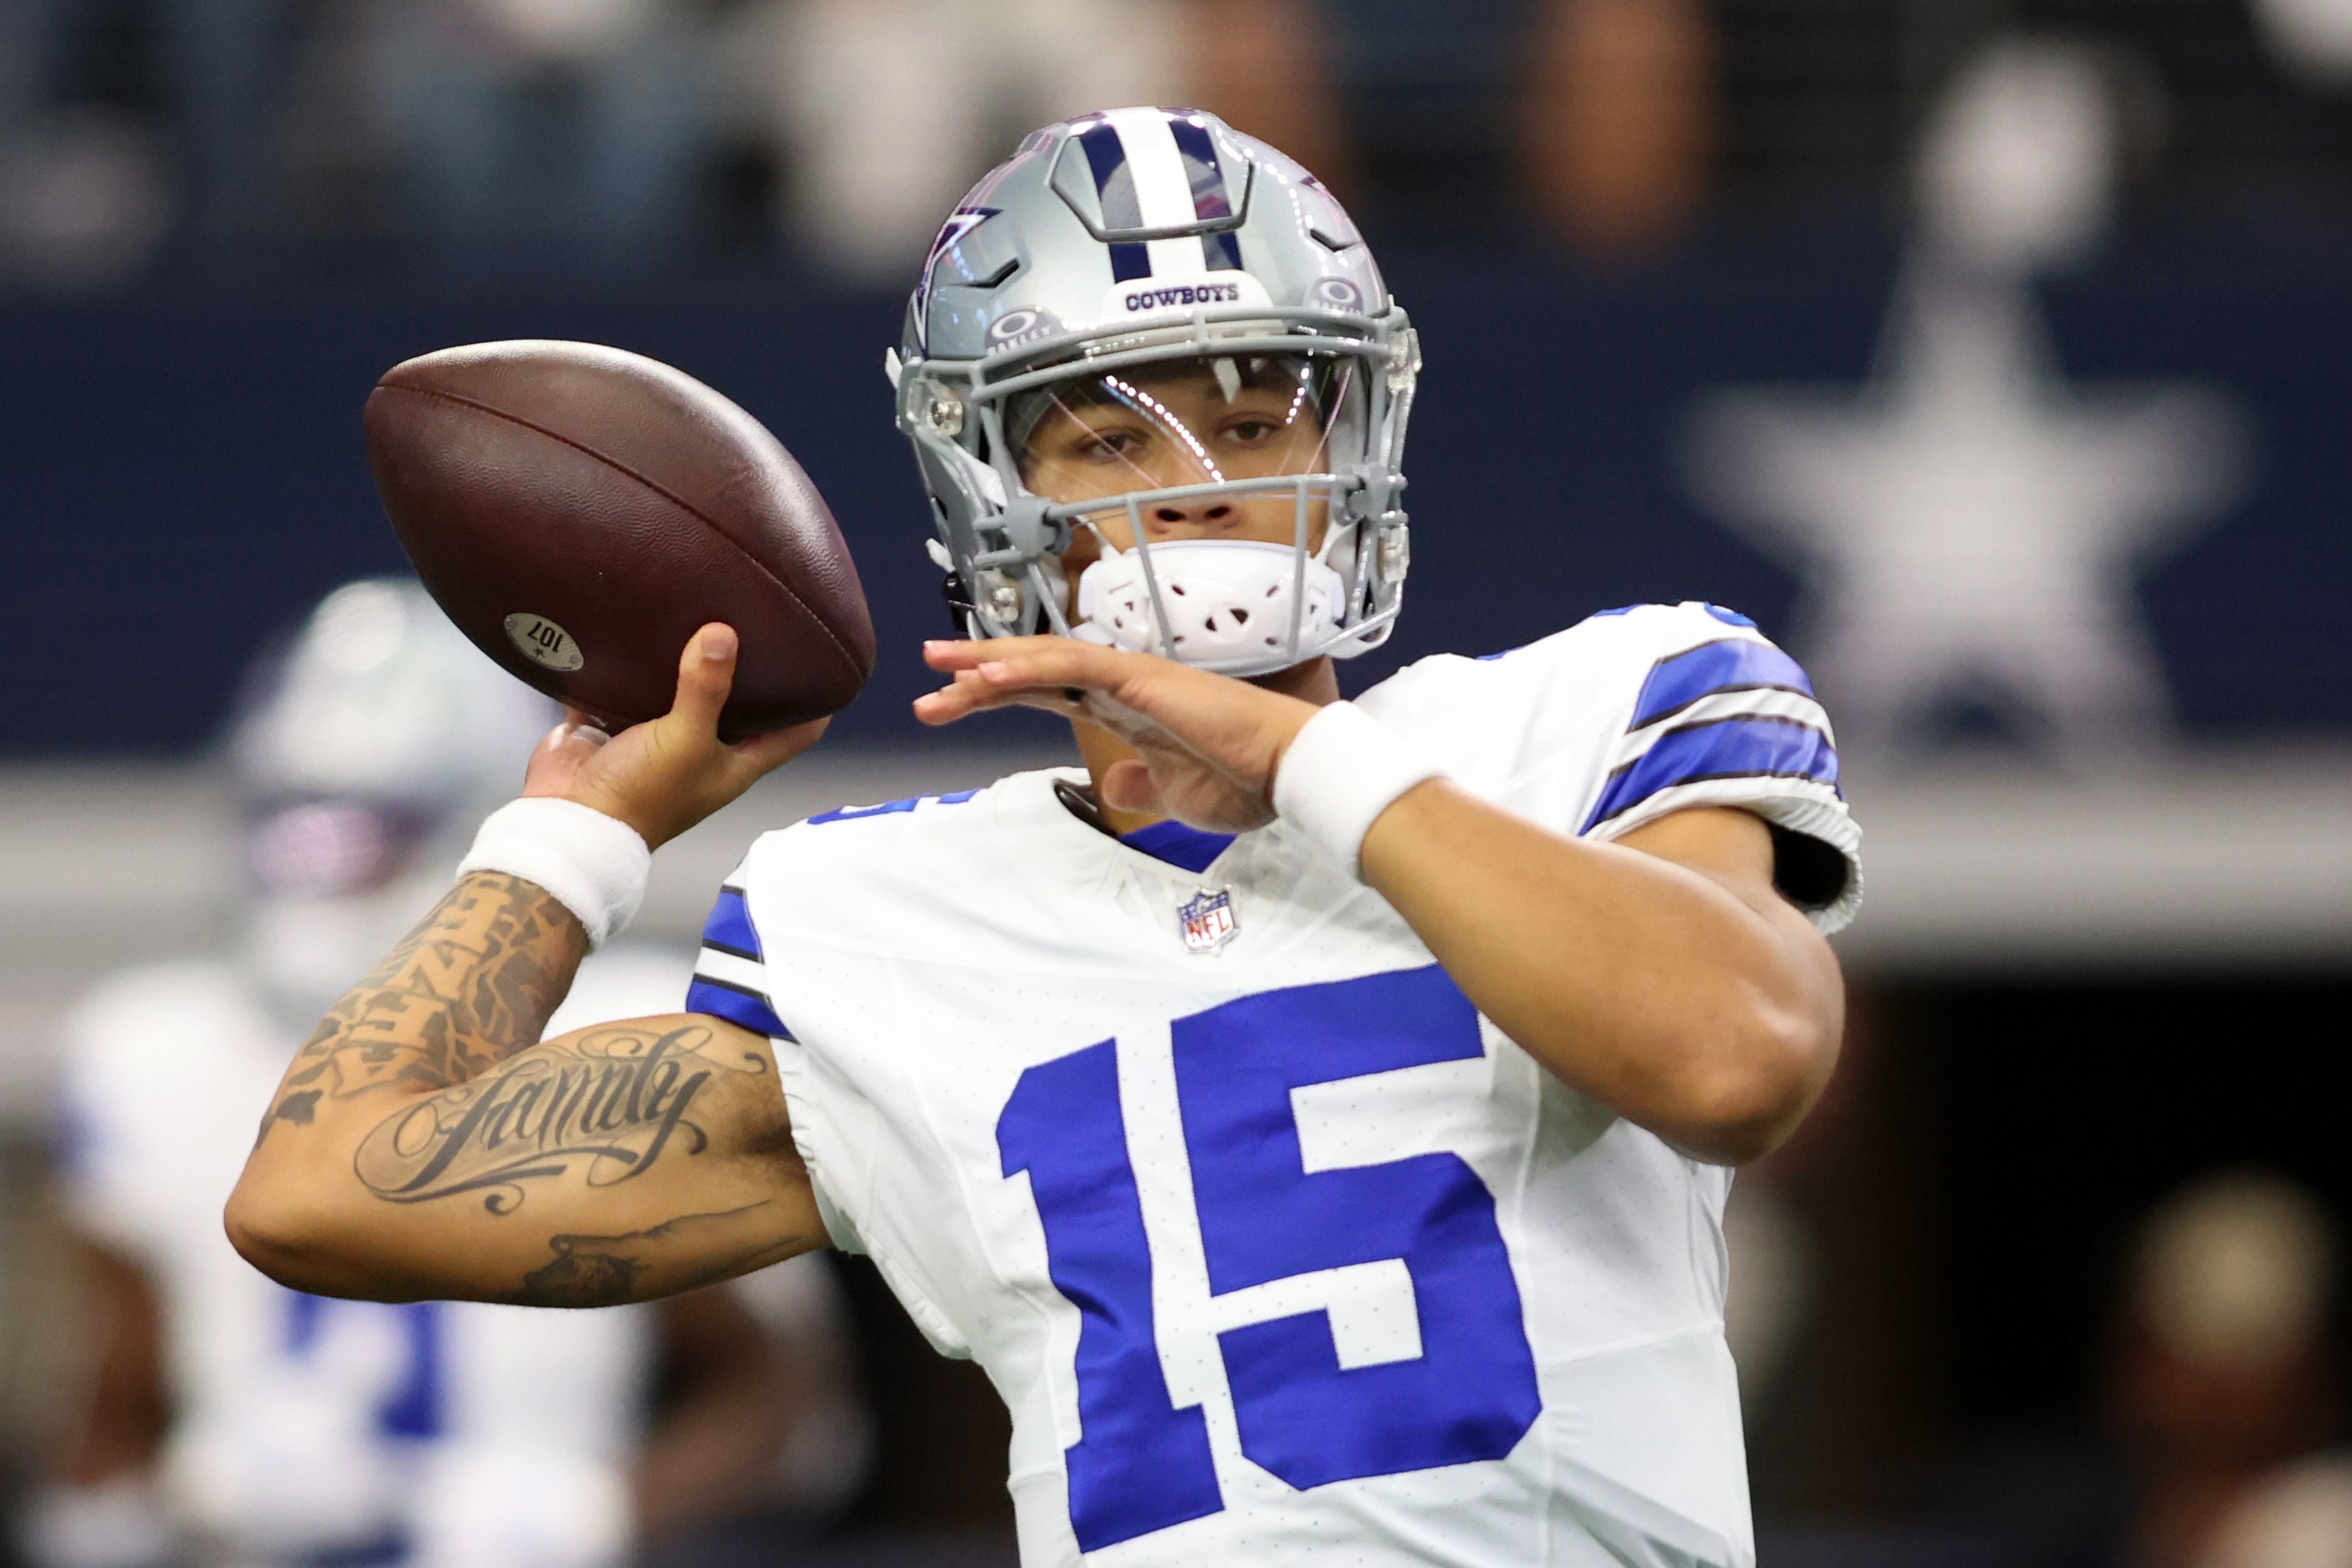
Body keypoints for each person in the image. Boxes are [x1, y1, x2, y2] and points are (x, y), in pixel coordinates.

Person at [224, 109, 1858, 1568]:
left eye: (1260, 412)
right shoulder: (881, 923)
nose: (1201, 483)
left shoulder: (1600, 708)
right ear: (987, 493)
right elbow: (317, 1191)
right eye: (1111, 436)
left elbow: (1735, 1059)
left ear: (1356, 438)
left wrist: (1300, 756)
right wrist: (573, 837)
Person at [30, 581, 857, 1568]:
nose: (318, 871)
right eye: (294, 823)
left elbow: (787, 1413)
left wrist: (597, 1513)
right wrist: (149, 1511)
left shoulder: (627, 1019)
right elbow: (110, 1418)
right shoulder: (149, 1049)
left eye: (366, 831)